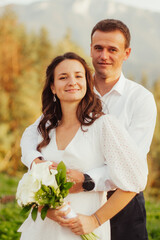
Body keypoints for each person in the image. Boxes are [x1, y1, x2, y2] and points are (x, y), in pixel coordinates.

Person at [20, 19, 157, 239]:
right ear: (90, 50)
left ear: (127, 53)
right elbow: (33, 132)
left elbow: (133, 166)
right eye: (98, 48)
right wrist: (36, 161)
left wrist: (86, 181)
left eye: (112, 49)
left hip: (121, 200)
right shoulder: (74, 88)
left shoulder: (140, 99)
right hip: (66, 206)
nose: (104, 55)